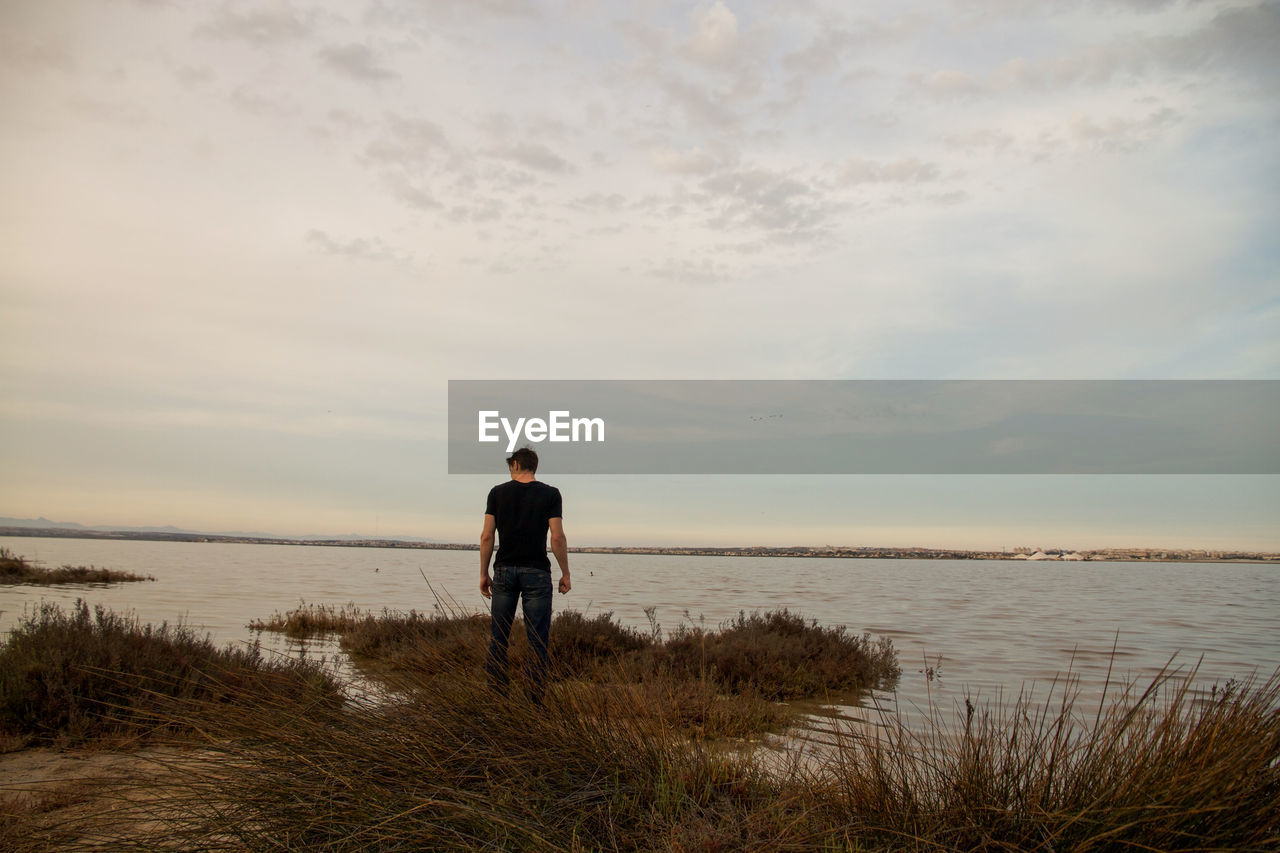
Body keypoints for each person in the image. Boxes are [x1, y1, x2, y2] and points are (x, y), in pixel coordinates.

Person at [480, 446, 570, 703]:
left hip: (504, 571)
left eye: (510, 466)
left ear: (516, 464)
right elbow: (558, 537)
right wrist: (565, 573)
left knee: (498, 638)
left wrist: (483, 573)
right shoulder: (551, 494)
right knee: (537, 642)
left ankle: (497, 699)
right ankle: (534, 704)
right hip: (537, 572)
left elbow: (487, 536)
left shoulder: (497, 493)